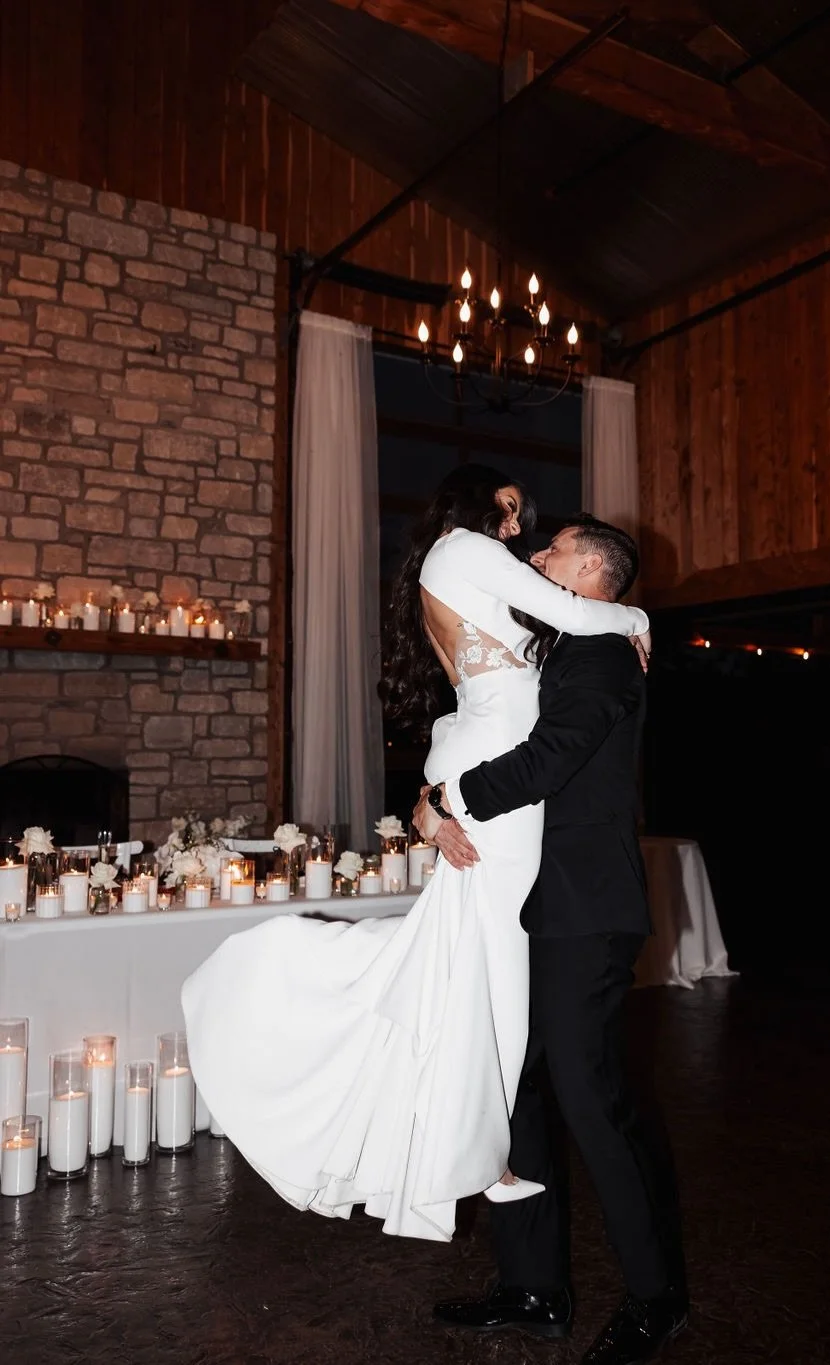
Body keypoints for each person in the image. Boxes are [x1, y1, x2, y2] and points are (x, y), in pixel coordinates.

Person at [180, 467, 649, 1243]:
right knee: (482, 942)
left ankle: (474, 1139)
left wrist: (435, 799)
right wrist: (633, 614)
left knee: (469, 942)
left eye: (532, 527)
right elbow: (568, 610)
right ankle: (477, 1142)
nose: (521, 538)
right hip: (496, 762)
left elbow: (543, 639)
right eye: (512, 512)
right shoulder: (464, 547)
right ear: (473, 502)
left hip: (486, 756)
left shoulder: (462, 563)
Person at [414, 515, 688, 1365]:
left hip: (586, 910)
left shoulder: (602, 655)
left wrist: (450, 799)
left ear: (595, 569)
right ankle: (534, 1287)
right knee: (517, 1087)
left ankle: (657, 1297)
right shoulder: (563, 649)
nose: (534, 560)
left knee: (589, 1096)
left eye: (553, 552)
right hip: (531, 903)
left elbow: (551, 756)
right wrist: (434, 791)